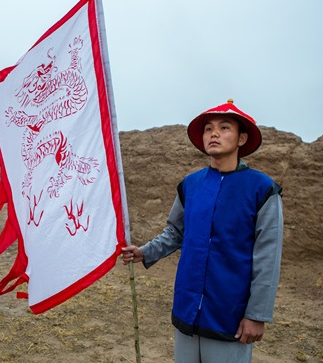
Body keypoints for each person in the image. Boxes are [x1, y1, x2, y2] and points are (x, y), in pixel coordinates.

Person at [121, 99, 283, 363]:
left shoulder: (262, 190)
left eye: (224, 127)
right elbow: (175, 232)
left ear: (242, 138)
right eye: (208, 129)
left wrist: (257, 315)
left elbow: (268, 256)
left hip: (229, 313)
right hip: (187, 308)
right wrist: (144, 252)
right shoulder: (191, 185)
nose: (214, 133)